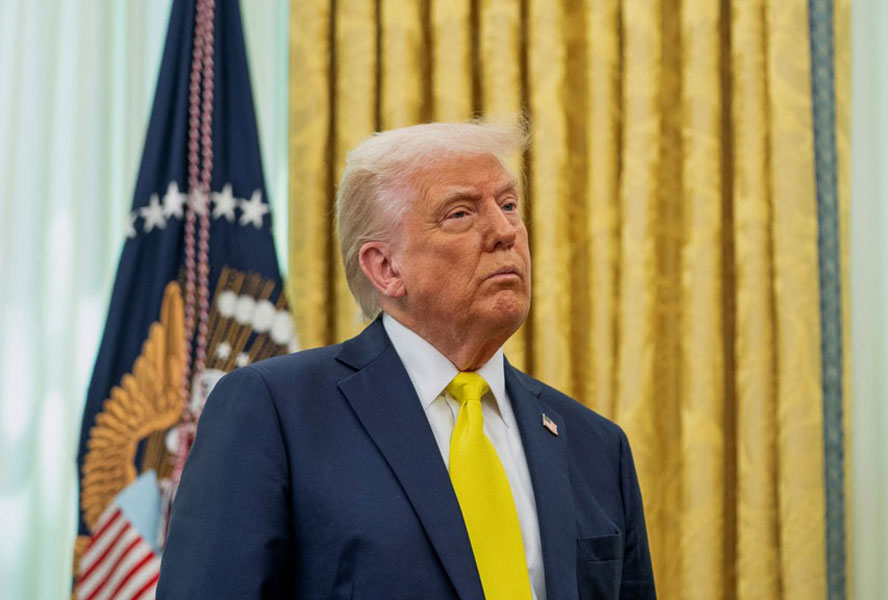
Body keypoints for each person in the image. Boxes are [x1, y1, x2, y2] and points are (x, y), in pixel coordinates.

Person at [157, 122, 655, 599]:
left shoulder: (596, 446)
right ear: (385, 267)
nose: (506, 231)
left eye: (509, 205)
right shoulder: (276, 413)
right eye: (461, 213)